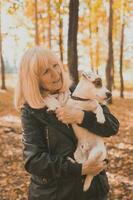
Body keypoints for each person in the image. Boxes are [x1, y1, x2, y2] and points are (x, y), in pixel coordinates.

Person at [15, 46, 119, 200]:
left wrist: (81, 117)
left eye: (55, 65)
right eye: (45, 71)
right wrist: (79, 169)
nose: (55, 74)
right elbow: (34, 161)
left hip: (93, 192)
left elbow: (111, 126)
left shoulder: (79, 91)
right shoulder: (31, 111)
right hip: (55, 194)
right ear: (33, 79)